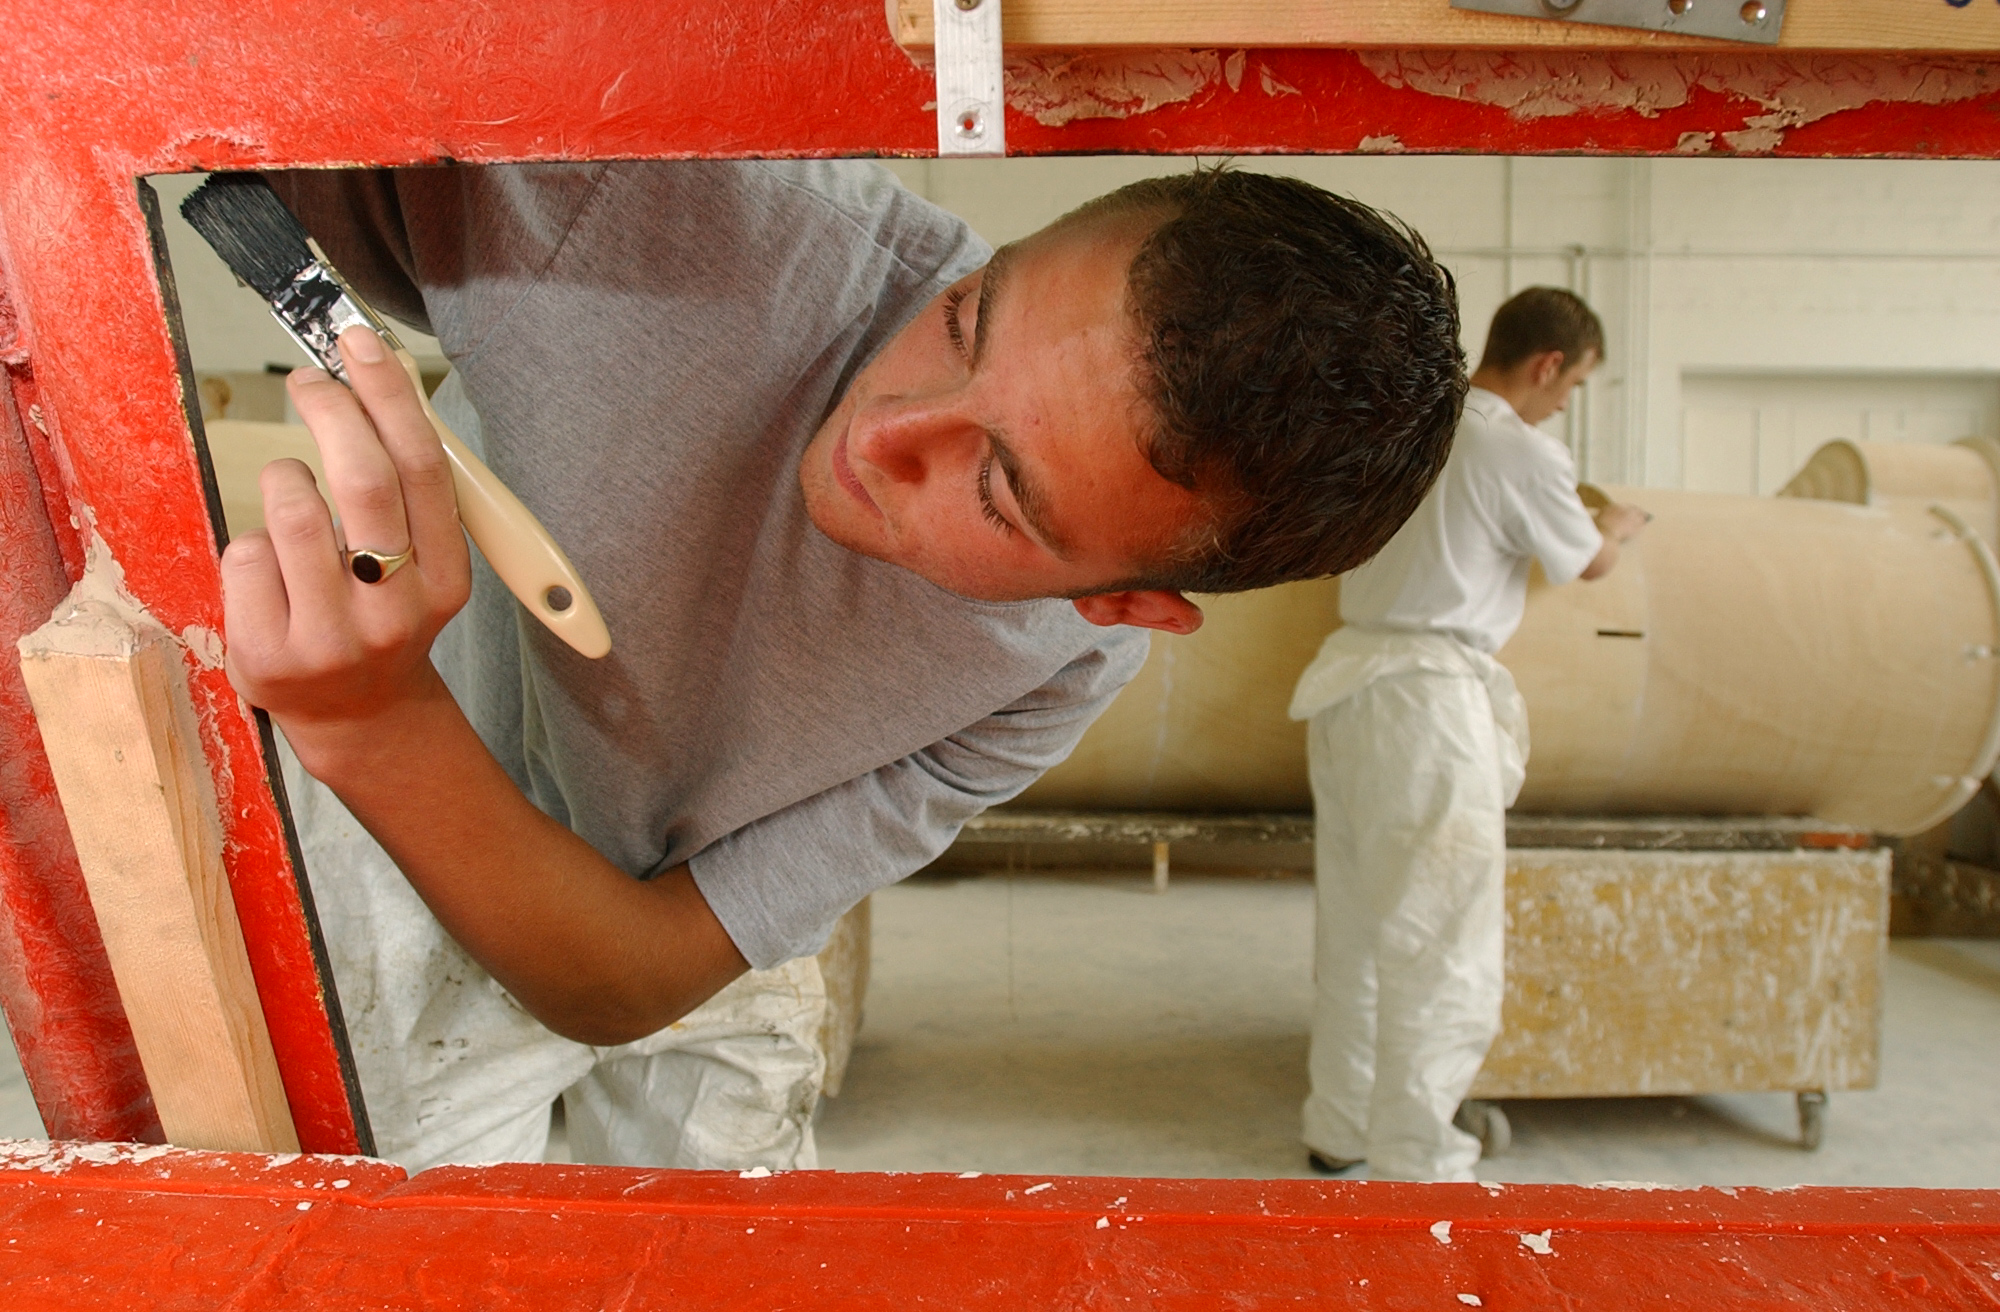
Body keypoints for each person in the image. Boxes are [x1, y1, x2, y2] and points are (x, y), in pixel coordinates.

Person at [238, 161, 1465, 1171]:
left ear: (1119, 601)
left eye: (996, 490)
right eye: (963, 318)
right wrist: (375, 741)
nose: (880, 433)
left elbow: (624, 978)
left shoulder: (1052, 668)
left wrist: (371, 720)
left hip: (683, 925)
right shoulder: (657, 209)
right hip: (410, 843)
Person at [1288, 286, 1649, 1183]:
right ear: (1549, 364)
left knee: (1358, 932)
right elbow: (1588, 563)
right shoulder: (1515, 447)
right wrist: (1616, 524)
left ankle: (1340, 1128)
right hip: (1428, 707)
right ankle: (1419, 1161)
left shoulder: (1405, 425)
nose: (1566, 403)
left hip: (1348, 687)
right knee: (1444, 944)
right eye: (1575, 384)